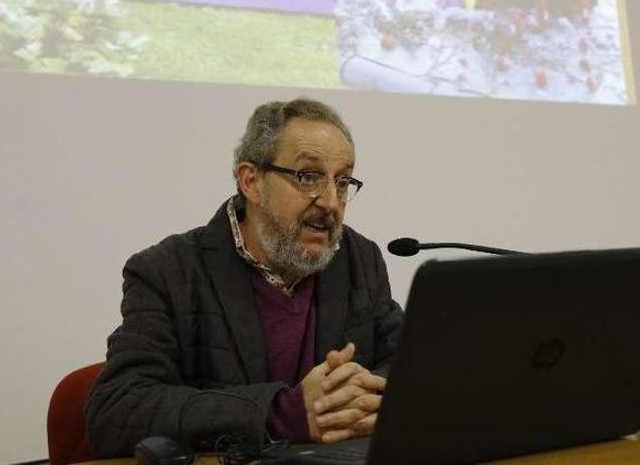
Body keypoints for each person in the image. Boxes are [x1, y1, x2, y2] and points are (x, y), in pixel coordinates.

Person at [85, 98, 404, 457]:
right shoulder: (169, 271)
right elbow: (117, 410)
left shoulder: (359, 259)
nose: (331, 201)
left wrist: (368, 397)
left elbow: (411, 368)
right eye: (309, 176)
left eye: (342, 181)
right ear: (251, 182)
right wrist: (282, 413)